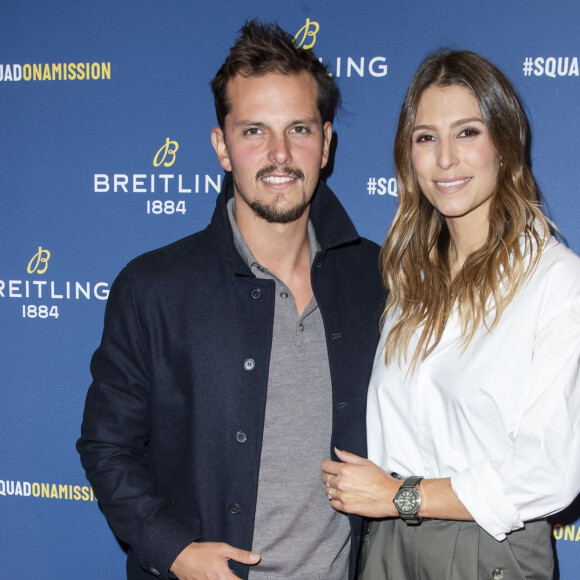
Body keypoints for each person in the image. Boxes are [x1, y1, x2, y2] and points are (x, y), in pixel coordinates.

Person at [77, 20, 386, 580]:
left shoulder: (377, 277)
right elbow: (107, 446)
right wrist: (173, 550)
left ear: (326, 142)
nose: (280, 155)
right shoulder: (153, 287)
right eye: (253, 132)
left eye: (299, 129)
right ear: (222, 146)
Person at [321, 49, 580, 579]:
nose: (444, 160)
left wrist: (401, 496)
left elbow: (549, 473)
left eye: (467, 133)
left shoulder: (555, 281)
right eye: (425, 138)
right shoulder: (406, 281)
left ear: (505, 145)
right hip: (388, 545)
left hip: (489, 549)